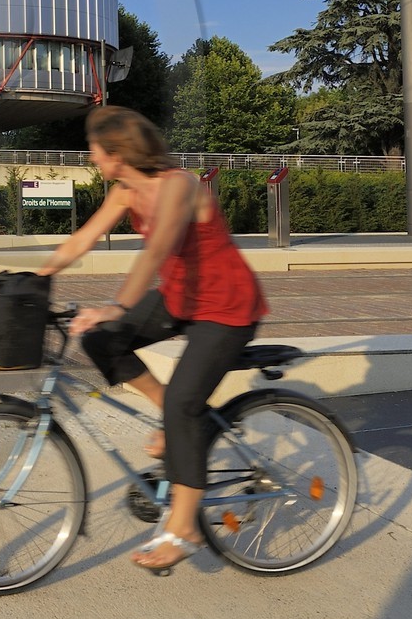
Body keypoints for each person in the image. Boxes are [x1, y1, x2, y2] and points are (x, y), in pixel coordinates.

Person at [34, 105, 268, 573]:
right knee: (102, 340)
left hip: (226, 308)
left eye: (95, 150)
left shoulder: (179, 187)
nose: (91, 158)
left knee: (184, 402)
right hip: (181, 299)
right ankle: (178, 421)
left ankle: (184, 528)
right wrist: (32, 280)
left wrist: (117, 305)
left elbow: (156, 249)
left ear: (118, 152)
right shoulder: (123, 192)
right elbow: (81, 240)